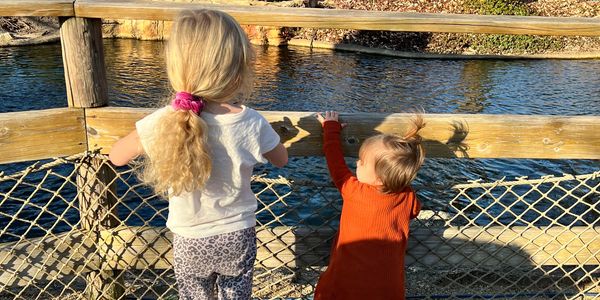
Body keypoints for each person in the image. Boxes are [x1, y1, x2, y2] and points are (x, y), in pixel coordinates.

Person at [108, 9, 288, 300]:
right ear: (238, 69)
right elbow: (281, 159)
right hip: (237, 235)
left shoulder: (166, 119)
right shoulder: (250, 120)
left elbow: (117, 156)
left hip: (190, 238)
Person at [314, 111, 423, 300]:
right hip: (388, 288)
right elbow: (415, 211)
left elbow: (335, 160)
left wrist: (331, 128)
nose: (357, 163)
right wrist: (399, 183)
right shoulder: (408, 197)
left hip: (346, 283)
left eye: (362, 162)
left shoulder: (353, 190)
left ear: (379, 177)